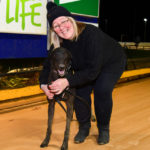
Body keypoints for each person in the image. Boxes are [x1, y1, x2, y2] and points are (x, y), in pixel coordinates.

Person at [39, 2, 126, 145]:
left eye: (63, 21)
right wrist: (44, 85)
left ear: (71, 19)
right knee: (79, 91)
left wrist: (66, 81)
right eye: (56, 26)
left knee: (102, 90)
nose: (61, 27)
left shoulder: (91, 34)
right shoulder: (60, 43)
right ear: (54, 30)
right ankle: (84, 127)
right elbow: (48, 66)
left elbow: (93, 71)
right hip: (87, 66)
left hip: (111, 62)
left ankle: (103, 128)